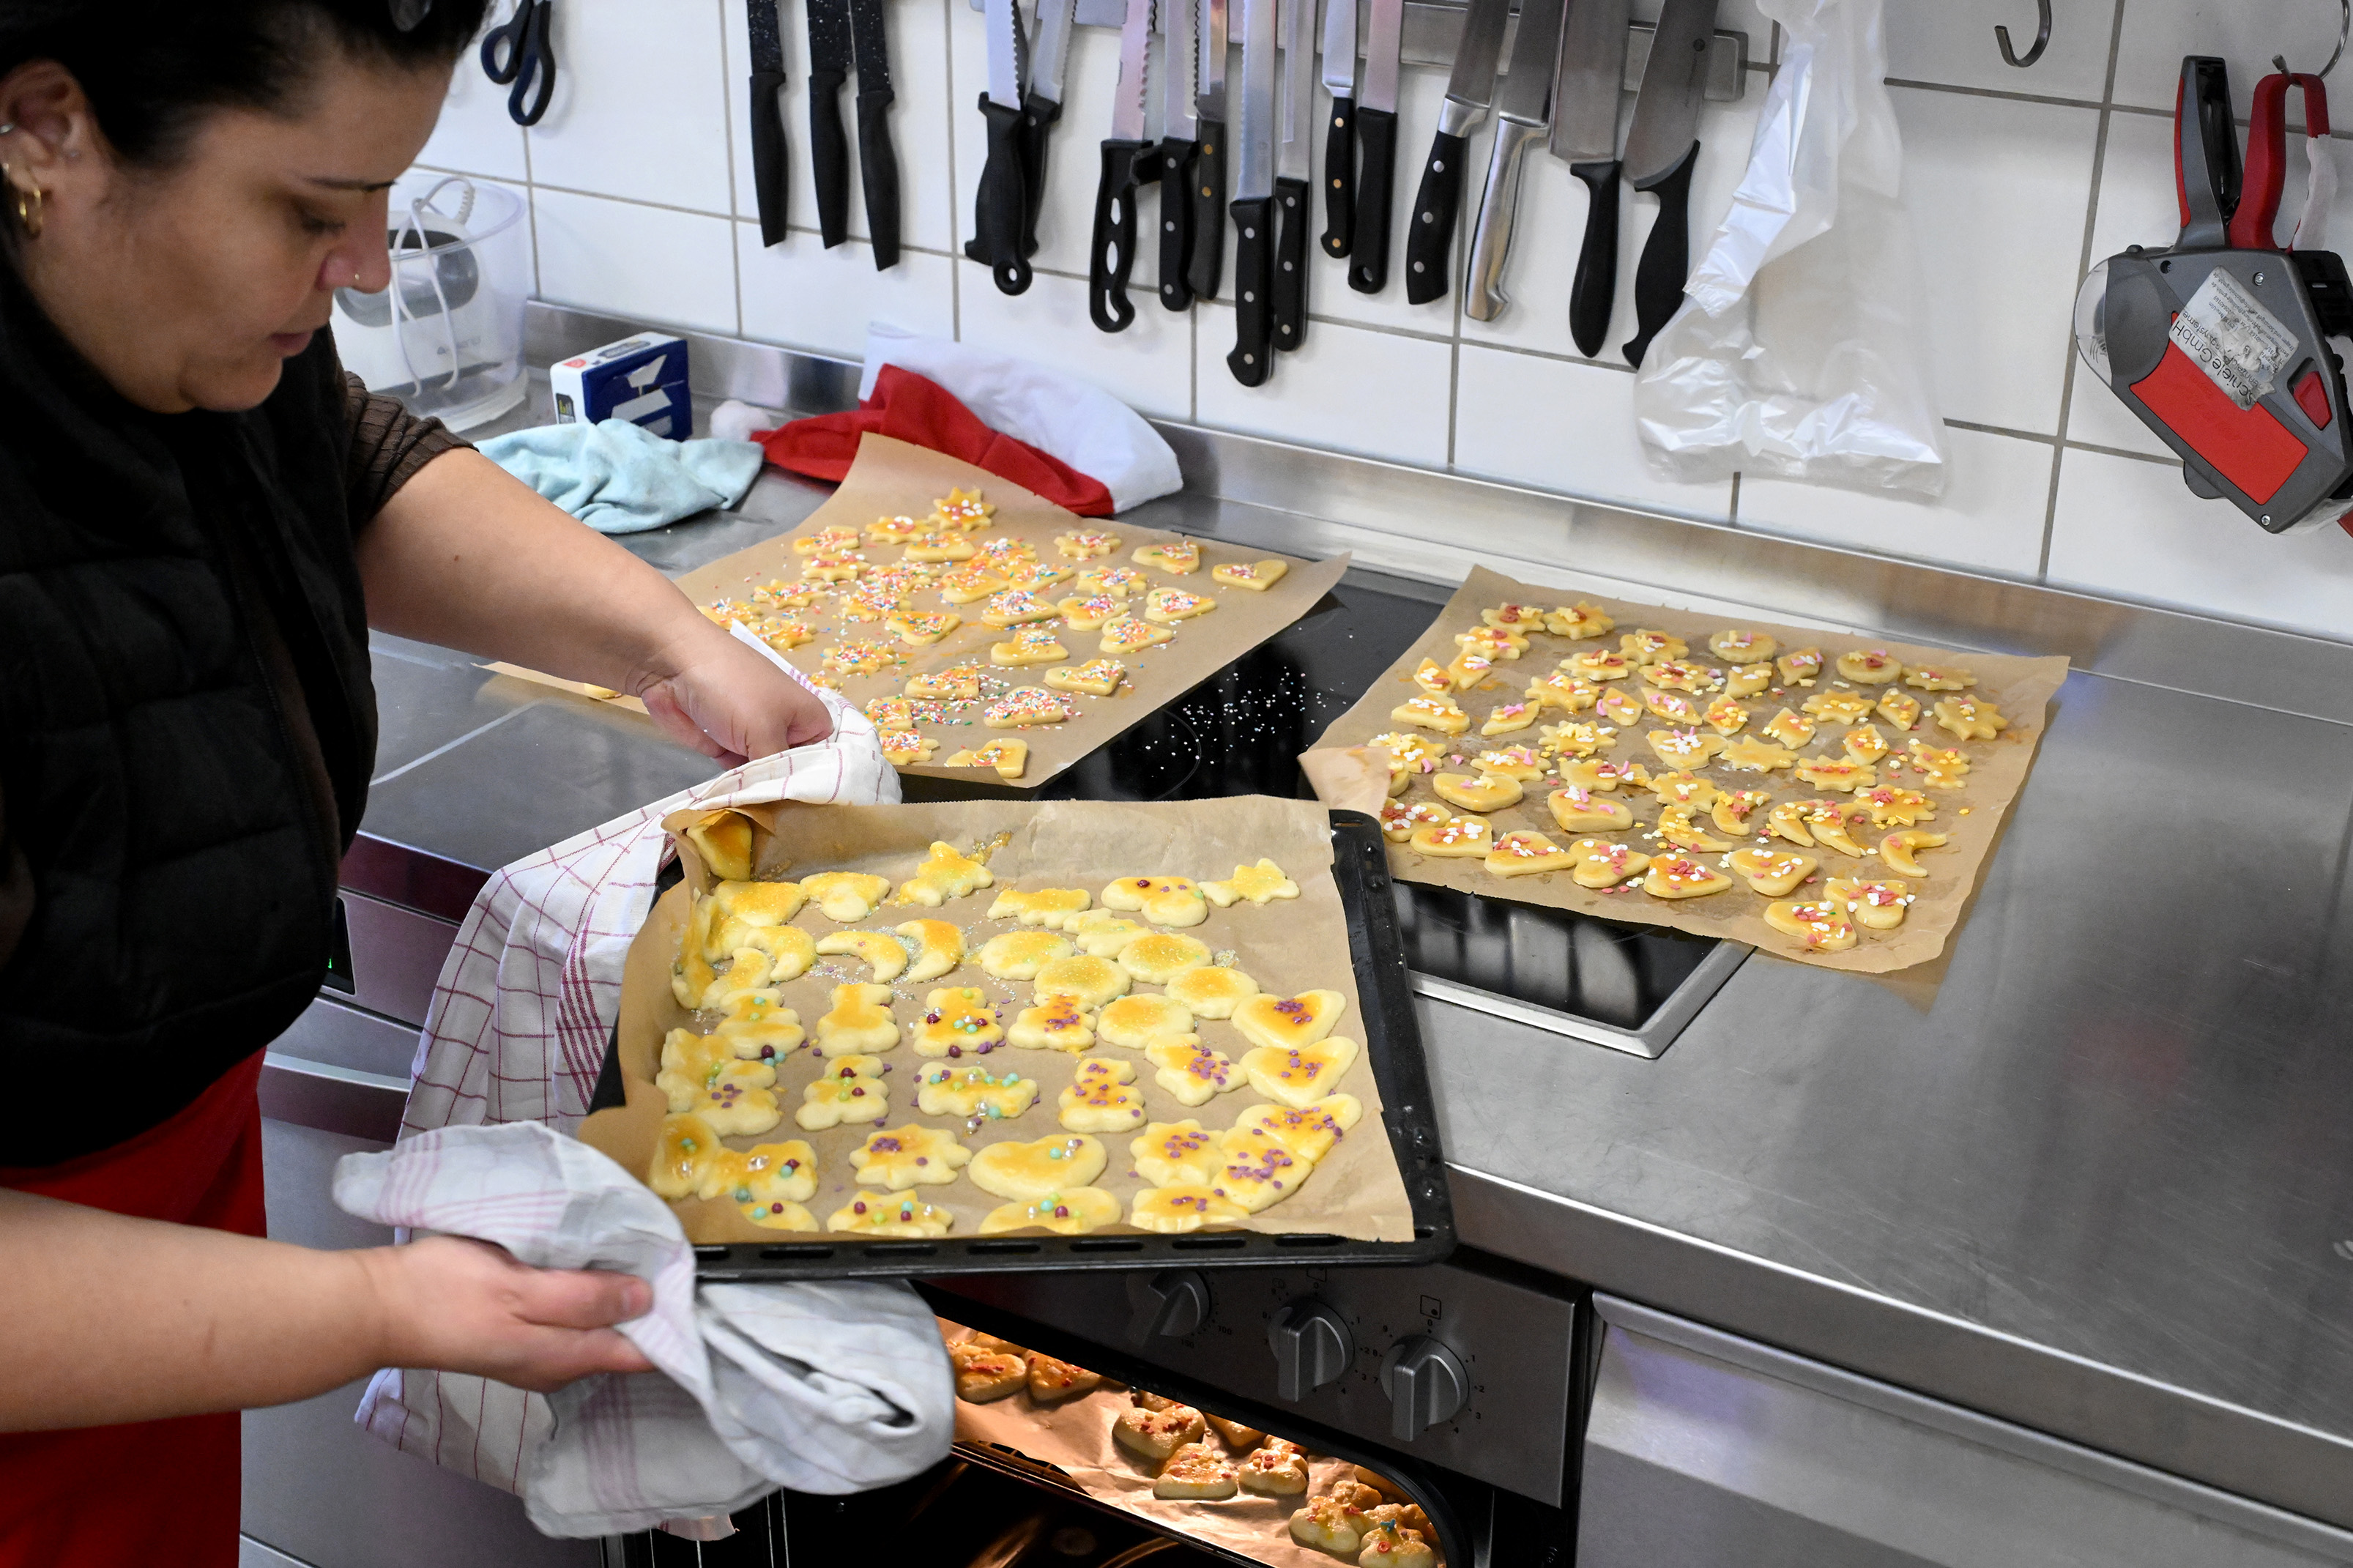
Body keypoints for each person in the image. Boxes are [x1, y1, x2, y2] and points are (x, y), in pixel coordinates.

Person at [0, 4, 836, 1562]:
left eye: (384, 198)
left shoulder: (153, 316)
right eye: (312, 211)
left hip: (160, 1221)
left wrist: (669, 640)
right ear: (51, 129)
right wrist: (379, 1304)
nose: (372, 268)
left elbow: (333, 464)